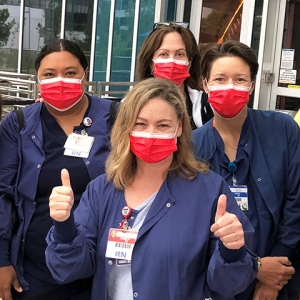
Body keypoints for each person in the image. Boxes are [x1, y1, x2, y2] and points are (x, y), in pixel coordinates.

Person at [45, 77, 258, 300]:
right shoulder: (102, 190)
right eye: (140, 124)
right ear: (126, 128)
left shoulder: (210, 192)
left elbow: (230, 285)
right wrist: (64, 226)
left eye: (163, 125)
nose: (151, 133)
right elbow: (70, 269)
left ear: (179, 128)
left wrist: (232, 250)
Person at [0, 39, 116, 300]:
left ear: (85, 75)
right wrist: (2, 259)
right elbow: (3, 194)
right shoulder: (18, 124)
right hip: (35, 270)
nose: (60, 80)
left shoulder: (114, 117)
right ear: (38, 79)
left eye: (70, 73)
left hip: (100, 267)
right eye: (49, 74)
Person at [192, 40, 300, 300]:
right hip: (220, 280)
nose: (230, 87)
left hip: (281, 275)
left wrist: (274, 275)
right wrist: (256, 268)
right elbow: (193, 224)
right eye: (219, 79)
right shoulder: (191, 146)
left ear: (251, 85)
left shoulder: (283, 130)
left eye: (240, 79)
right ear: (205, 85)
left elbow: (296, 203)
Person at [137, 22, 213, 130]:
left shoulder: (206, 106)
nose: (172, 61)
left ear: (190, 63)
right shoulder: (130, 105)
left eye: (179, 54)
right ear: (151, 63)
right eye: (163, 54)